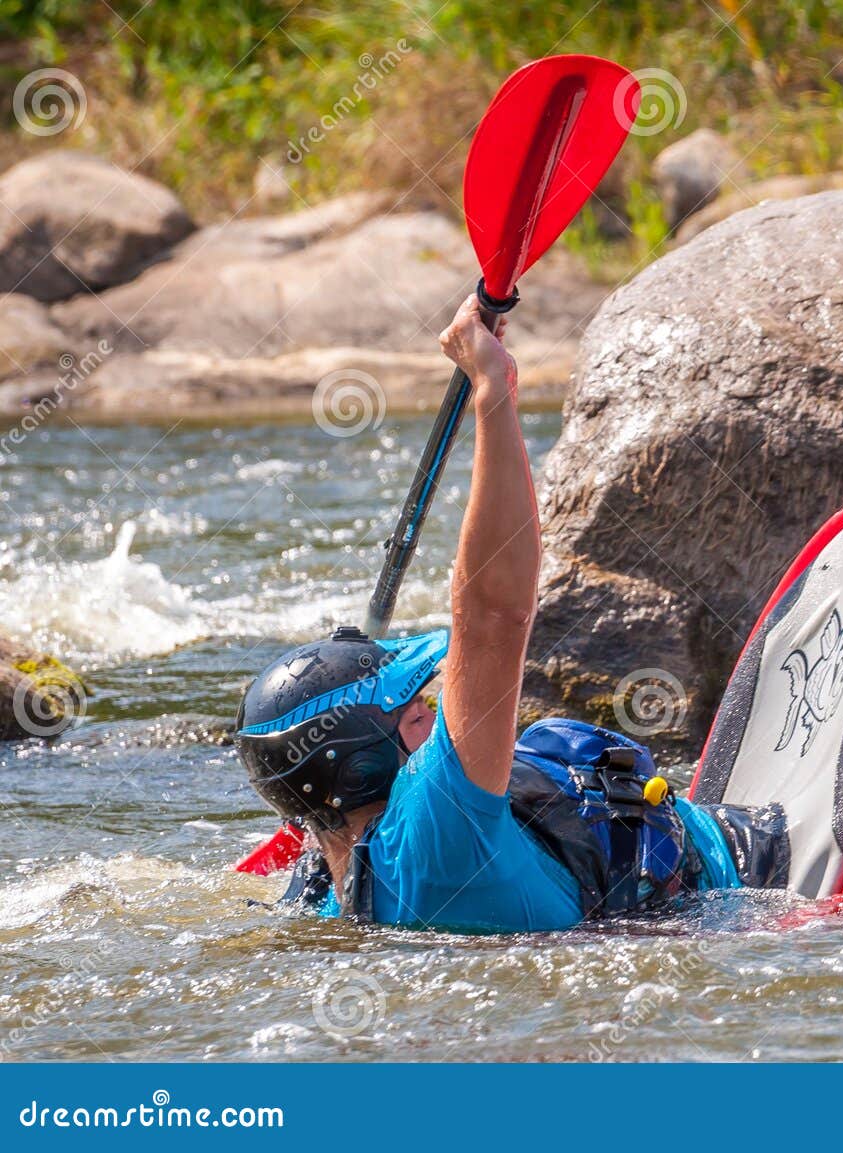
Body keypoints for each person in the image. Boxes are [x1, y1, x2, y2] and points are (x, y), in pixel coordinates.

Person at [233, 295, 786, 932]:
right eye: (417, 716)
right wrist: (492, 388)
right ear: (362, 764)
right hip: (764, 874)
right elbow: (493, 616)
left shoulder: (325, 882)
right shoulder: (435, 828)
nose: (439, 716)